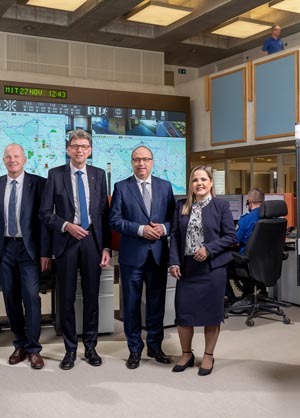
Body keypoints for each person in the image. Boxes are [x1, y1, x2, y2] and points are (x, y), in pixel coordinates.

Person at [39, 129, 111, 370]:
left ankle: (90, 347)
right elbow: (45, 213)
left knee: (92, 297)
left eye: (84, 146)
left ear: (89, 151)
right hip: (66, 242)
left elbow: (103, 214)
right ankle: (70, 349)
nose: (80, 150)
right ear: (68, 149)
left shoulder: (99, 175)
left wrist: (107, 247)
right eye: (75, 146)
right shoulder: (55, 175)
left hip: (92, 241)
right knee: (66, 298)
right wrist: (67, 226)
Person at [110, 146, 175, 369]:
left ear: (152, 162)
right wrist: (140, 229)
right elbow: (115, 220)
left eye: (145, 159)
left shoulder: (165, 187)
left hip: (157, 255)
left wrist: (163, 229)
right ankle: (135, 349)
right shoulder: (121, 187)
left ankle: (155, 347)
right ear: (131, 162)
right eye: (137, 159)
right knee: (131, 305)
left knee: (156, 305)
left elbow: (172, 219)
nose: (141, 164)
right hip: (132, 257)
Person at [0, 144, 52, 369]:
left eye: (16, 156)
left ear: (24, 159)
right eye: (8, 157)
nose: (12, 160)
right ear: (3, 160)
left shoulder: (39, 183)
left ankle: (34, 348)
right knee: (10, 297)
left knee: (31, 297)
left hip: (29, 250)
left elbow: (44, 221)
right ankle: (20, 344)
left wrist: (45, 252)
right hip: (4, 248)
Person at [168, 166, 235, 376]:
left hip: (212, 269)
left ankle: (208, 355)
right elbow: (176, 236)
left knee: (211, 315)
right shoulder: (182, 206)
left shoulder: (220, 206)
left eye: (204, 179)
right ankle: (186, 354)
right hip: (188, 269)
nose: (200, 183)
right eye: (195, 180)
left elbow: (230, 237)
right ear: (191, 184)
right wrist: (174, 262)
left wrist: (209, 249)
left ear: (211, 183)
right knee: (183, 314)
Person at [237, 188, 265, 254]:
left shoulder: (245, 220)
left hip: (247, 259)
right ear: (263, 201)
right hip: (267, 258)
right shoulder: (271, 218)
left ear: (249, 201)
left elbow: (235, 241)